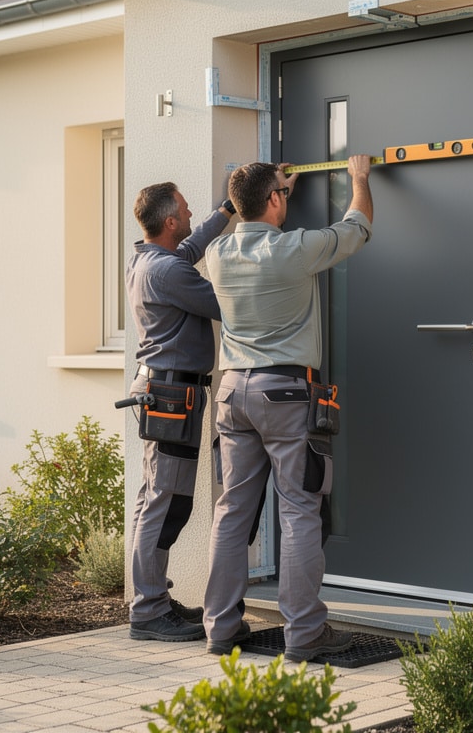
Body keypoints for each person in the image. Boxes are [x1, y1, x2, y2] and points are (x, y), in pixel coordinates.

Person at [202, 155, 375, 660]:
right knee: (300, 509)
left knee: (232, 510)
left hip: (232, 393)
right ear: (276, 200)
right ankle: (303, 635)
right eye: (279, 192)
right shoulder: (295, 250)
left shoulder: (215, 252)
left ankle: (221, 628)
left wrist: (268, 196)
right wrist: (359, 179)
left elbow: (248, 218)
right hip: (285, 394)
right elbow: (356, 226)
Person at [125, 181, 235, 642]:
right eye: (186, 212)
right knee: (164, 503)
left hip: (165, 389)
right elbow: (223, 303)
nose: (192, 216)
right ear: (169, 221)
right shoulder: (169, 273)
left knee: (156, 499)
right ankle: (149, 610)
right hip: (172, 395)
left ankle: (150, 598)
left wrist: (228, 210)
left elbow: (191, 245)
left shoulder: (151, 258)